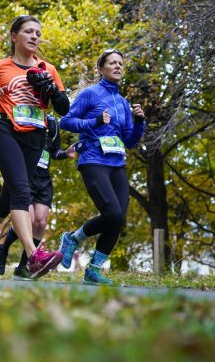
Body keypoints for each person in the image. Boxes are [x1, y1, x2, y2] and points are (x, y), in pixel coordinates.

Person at [0, 15, 69, 279]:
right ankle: (34, 256)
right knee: (22, 193)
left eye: (38, 32)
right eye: (28, 32)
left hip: (36, 136)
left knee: (8, 199)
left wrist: (51, 90)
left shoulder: (48, 69)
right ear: (15, 37)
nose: (34, 36)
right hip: (5, 130)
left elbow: (63, 108)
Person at [58, 50, 145, 285]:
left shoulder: (123, 103)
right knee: (112, 213)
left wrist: (139, 122)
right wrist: (94, 121)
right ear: (101, 69)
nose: (117, 66)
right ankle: (72, 239)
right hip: (93, 159)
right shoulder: (90, 94)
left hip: (117, 161)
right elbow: (65, 121)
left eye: (120, 63)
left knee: (118, 218)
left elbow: (130, 140)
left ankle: (93, 270)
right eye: (112, 63)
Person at [0, 114, 74, 280]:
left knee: (40, 222)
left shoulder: (52, 122)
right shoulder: (21, 115)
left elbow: (54, 152)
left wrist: (65, 153)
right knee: (27, 219)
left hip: (43, 180)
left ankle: (24, 267)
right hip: (24, 176)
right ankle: (3, 249)